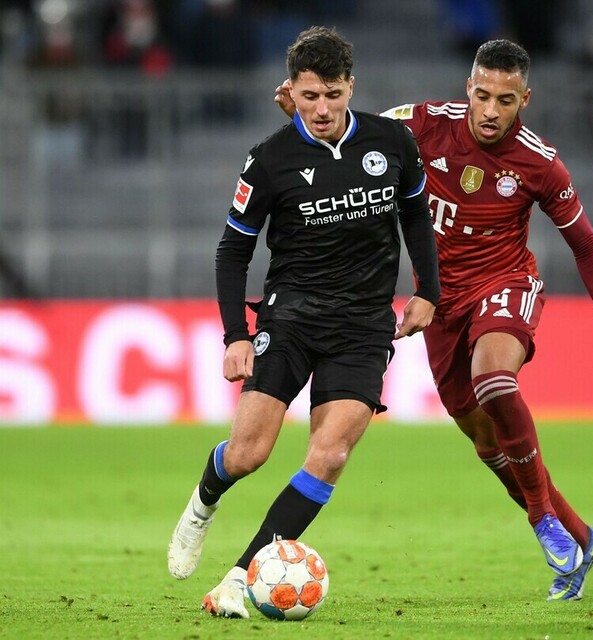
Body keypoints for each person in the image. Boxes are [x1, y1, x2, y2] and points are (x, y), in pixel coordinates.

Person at [276, 38, 593, 602]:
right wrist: (301, 116)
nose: (490, 110)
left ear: (525, 99)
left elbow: (587, 245)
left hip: (506, 284)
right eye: (482, 95)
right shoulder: (423, 124)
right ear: (468, 89)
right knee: (486, 439)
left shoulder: (540, 163)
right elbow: (350, 137)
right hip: (441, 303)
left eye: (505, 100)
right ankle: (581, 537)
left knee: (495, 380)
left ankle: (542, 520)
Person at [167, 26, 440, 619]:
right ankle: (204, 501)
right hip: (290, 317)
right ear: (290, 91)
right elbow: (232, 251)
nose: (322, 109)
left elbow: (417, 218)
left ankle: (237, 579)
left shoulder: (392, 142)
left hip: (364, 326)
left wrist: (428, 291)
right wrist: (235, 335)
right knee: (248, 454)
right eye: (310, 96)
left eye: (333, 95)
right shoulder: (269, 159)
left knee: (331, 455)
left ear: (351, 88)